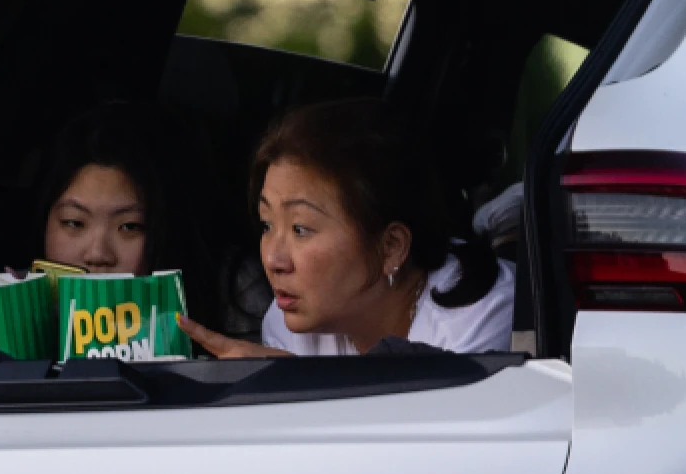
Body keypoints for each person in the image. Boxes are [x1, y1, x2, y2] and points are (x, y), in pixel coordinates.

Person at [179, 99, 513, 358]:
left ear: (391, 247)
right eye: (267, 225)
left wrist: (294, 383)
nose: (272, 260)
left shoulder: (482, 315)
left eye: (300, 229)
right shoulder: (287, 321)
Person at [35, 102, 226, 326]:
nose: (97, 254)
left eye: (129, 226)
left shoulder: (230, 303)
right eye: (74, 223)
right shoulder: (13, 314)